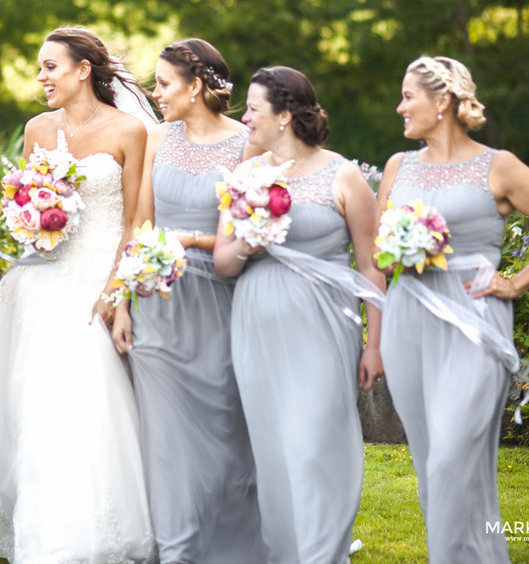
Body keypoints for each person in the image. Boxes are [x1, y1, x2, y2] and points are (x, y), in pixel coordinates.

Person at [0, 27, 156, 562]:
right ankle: (36, 528)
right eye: (40, 68)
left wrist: (116, 291)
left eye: (50, 67)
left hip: (99, 279)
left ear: (84, 69)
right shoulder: (37, 128)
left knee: (82, 400)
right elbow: (25, 207)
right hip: (42, 275)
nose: (41, 78)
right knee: (29, 403)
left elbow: (137, 222)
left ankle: (87, 529)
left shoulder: (131, 130)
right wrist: (30, 216)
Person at [376, 55, 529, 562]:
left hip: (473, 322)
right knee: (432, 466)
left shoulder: (499, 166)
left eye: (409, 96)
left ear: (442, 101)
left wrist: (515, 283)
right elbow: (379, 249)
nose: (400, 107)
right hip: (409, 320)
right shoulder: (397, 167)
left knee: (451, 459)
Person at [213, 66, 386, 563]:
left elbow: (372, 267)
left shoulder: (343, 175)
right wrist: (249, 239)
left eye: (253, 109)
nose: (244, 118)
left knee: (315, 444)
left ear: (285, 115)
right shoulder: (245, 177)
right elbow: (224, 262)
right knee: (272, 451)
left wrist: (375, 344)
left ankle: (323, 554)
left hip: (322, 324)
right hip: (257, 323)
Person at [110, 38, 266, 563]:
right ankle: (175, 550)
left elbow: (248, 234)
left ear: (196, 86)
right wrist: (125, 304)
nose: (155, 94)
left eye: (163, 83)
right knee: (165, 439)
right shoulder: (157, 138)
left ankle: (230, 544)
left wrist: (194, 242)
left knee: (225, 429)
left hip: (219, 303)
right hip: (155, 301)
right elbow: (140, 224)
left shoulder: (247, 145)